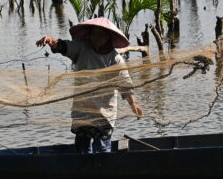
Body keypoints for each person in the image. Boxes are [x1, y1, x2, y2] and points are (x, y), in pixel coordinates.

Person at [36, 17, 144, 154]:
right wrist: (51, 41)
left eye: (100, 35)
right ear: (89, 35)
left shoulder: (115, 59)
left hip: (105, 112)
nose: (96, 38)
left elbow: (125, 84)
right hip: (83, 111)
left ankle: (102, 166)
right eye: (94, 34)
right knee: (82, 150)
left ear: (107, 37)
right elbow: (65, 46)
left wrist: (133, 104)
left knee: (102, 150)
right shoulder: (81, 48)